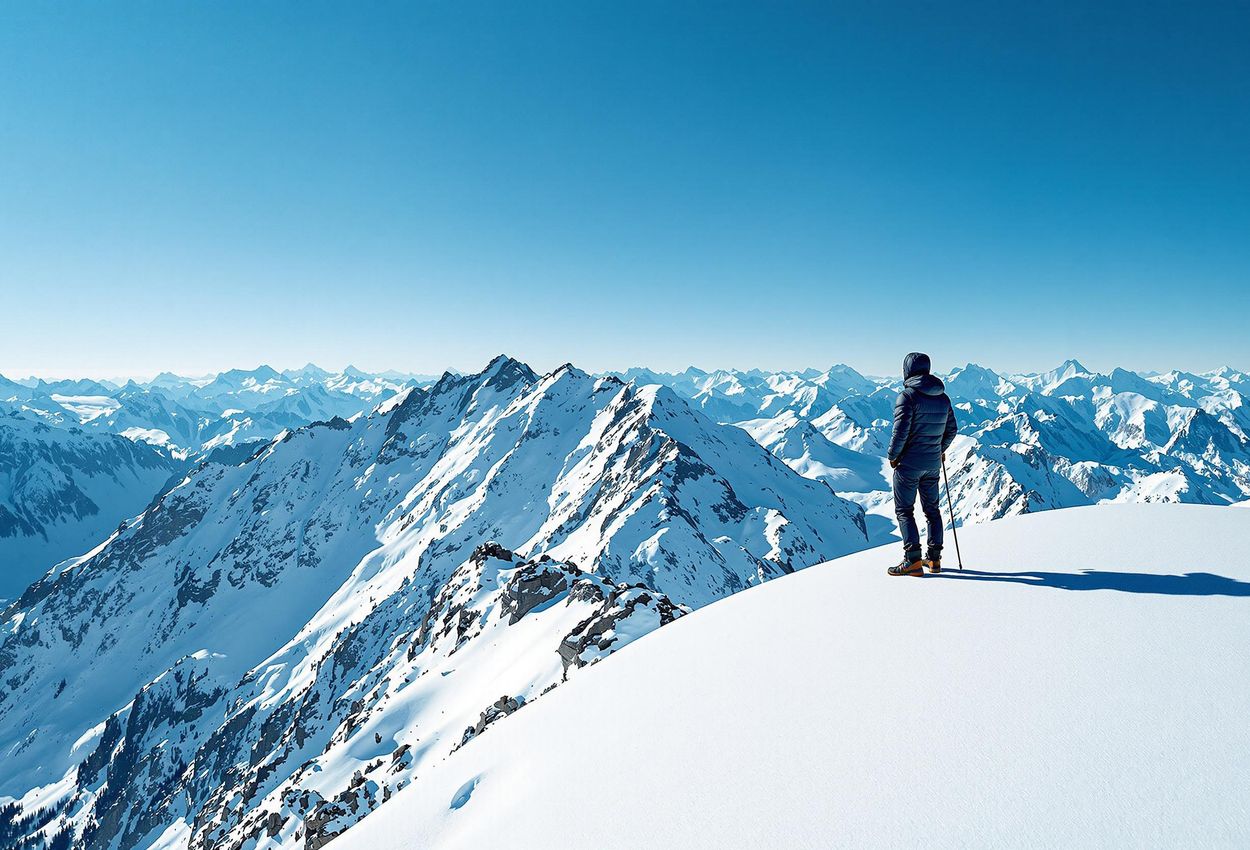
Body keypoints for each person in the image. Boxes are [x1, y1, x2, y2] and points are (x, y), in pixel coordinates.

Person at [886, 352, 958, 576]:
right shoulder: (943, 398)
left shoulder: (907, 397)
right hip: (932, 464)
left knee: (905, 511)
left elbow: (900, 433)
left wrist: (893, 456)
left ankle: (913, 561)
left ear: (907, 370)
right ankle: (934, 560)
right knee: (932, 511)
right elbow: (952, 430)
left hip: (908, 465)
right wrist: (939, 450)